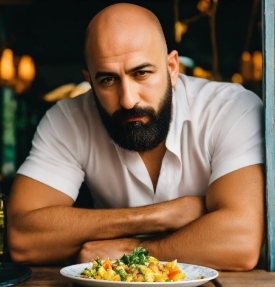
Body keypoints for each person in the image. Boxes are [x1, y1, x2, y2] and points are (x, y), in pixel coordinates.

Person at [7, 3, 265, 270]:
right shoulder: (68, 119)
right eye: (107, 80)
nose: (128, 100)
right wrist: (159, 217)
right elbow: (23, 239)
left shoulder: (230, 108)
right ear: (89, 79)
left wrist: (132, 249)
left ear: (172, 67)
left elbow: (241, 241)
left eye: (141, 73)